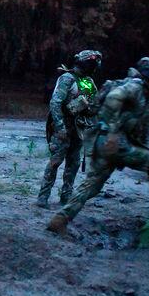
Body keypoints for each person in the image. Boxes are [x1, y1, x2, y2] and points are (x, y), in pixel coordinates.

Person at [47, 57, 149, 235]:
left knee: (92, 186)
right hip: (116, 143)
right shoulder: (134, 87)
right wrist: (111, 132)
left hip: (108, 144)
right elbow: (113, 98)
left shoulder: (147, 91)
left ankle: (60, 219)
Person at [35, 50, 102, 209]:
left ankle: (66, 197)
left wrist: (88, 108)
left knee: (73, 164)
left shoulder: (87, 81)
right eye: (91, 64)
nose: (93, 67)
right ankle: (43, 197)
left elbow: (94, 104)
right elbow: (55, 103)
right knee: (55, 162)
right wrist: (60, 127)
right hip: (64, 126)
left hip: (78, 128)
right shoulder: (67, 78)